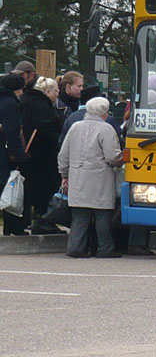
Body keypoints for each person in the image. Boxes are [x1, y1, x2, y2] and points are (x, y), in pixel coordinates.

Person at [57, 97, 124, 258]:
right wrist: (122, 159)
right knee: (102, 216)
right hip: (100, 177)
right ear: (104, 113)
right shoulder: (106, 129)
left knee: (80, 216)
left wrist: (64, 174)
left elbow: (63, 155)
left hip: (78, 177)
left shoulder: (75, 127)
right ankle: (104, 248)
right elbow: (112, 157)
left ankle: (75, 248)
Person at [17, 76, 64, 235]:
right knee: (44, 190)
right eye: (56, 91)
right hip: (43, 156)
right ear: (47, 91)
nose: (58, 94)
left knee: (32, 190)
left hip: (29, 154)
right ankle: (43, 221)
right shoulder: (42, 107)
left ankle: (34, 221)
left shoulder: (25, 102)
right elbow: (47, 129)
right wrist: (58, 142)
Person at [0, 73, 30, 236]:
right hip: (5, 154)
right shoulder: (11, 104)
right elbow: (12, 131)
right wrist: (20, 155)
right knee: (10, 189)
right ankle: (13, 227)